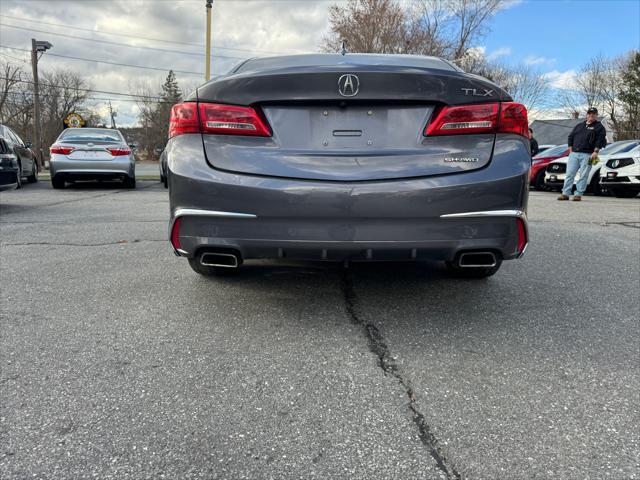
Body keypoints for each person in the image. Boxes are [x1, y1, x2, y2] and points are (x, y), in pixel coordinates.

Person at [558, 107, 607, 201]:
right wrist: (570, 151)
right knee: (569, 174)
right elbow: (570, 137)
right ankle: (565, 193)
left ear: (596, 115)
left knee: (583, 175)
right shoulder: (579, 126)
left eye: (593, 114)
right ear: (587, 115)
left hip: (588, 154)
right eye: (589, 113)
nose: (591, 115)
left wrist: (595, 152)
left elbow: (600, 140)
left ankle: (578, 194)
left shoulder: (599, 127)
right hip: (574, 154)